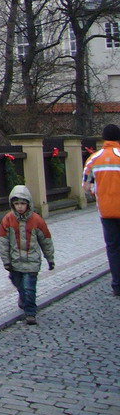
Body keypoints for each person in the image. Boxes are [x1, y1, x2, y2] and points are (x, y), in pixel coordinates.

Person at [0, 184, 55, 324]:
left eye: (22, 203)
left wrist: (50, 259)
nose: (20, 207)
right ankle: (23, 298)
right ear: (12, 204)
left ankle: (30, 312)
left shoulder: (36, 220)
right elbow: (2, 242)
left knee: (29, 287)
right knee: (17, 282)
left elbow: (46, 240)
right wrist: (6, 260)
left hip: (32, 261)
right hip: (15, 261)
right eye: (17, 204)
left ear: (28, 203)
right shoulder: (8, 220)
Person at [83, 123, 120, 296]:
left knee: (112, 247)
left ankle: (117, 284)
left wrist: (99, 195)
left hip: (106, 210)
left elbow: (86, 185)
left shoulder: (93, 159)